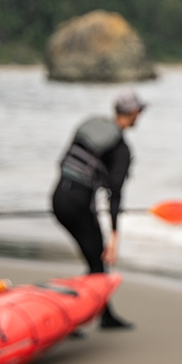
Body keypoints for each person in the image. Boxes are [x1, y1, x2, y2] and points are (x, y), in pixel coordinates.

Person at [52, 90, 146, 329]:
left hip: (58, 199)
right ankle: (76, 315)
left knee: (94, 260)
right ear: (134, 113)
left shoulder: (91, 126)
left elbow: (68, 164)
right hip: (76, 205)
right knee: (97, 263)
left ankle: (98, 314)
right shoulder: (121, 149)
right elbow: (115, 195)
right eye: (140, 112)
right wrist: (114, 237)